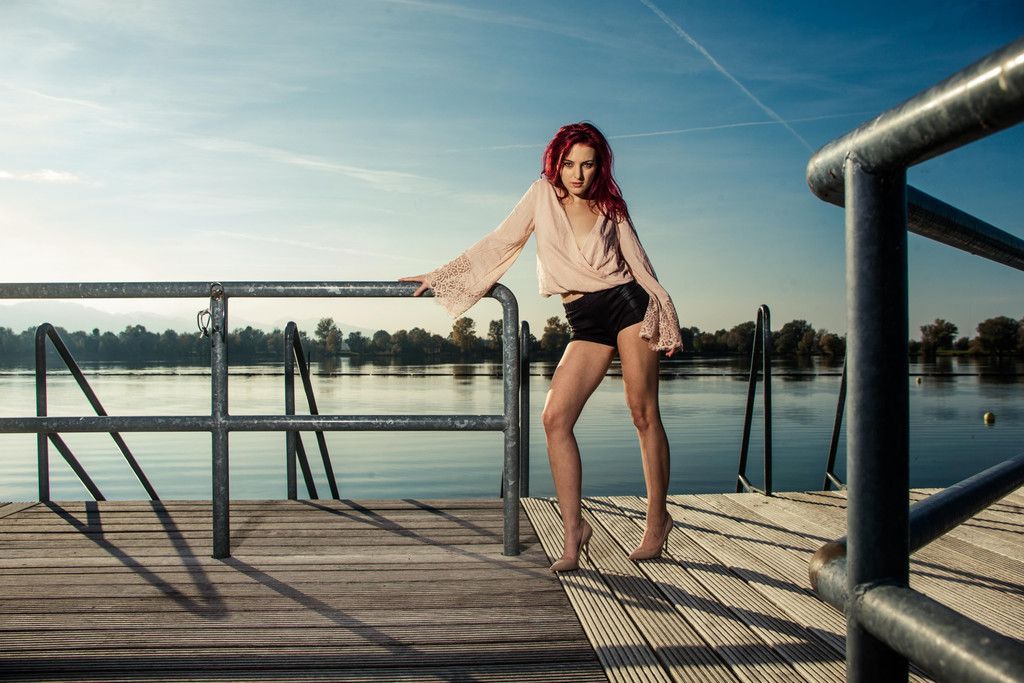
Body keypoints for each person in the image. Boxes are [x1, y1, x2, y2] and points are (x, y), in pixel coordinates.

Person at [402, 122, 682, 572]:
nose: (578, 174)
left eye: (588, 165)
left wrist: (663, 310)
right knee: (555, 418)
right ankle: (575, 531)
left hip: (627, 306)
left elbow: (639, 263)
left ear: (600, 166)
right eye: (570, 164)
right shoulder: (541, 196)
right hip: (584, 319)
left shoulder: (611, 207)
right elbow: (501, 240)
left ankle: (657, 520)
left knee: (642, 413)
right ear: (557, 163)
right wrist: (442, 275)